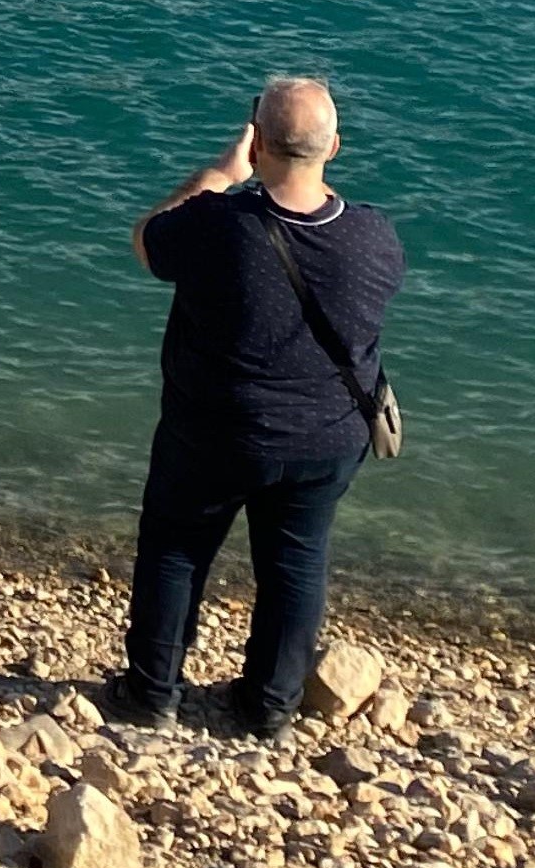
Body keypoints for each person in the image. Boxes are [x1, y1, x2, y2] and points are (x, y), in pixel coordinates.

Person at [101, 77, 404, 738]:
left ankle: (152, 694)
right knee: (296, 563)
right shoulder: (375, 238)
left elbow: (147, 239)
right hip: (326, 437)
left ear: (259, 141)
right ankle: (268, 706)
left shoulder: (220, 225)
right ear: (335, 148)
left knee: (177, 550)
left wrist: (220, 171)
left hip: (216, 434)